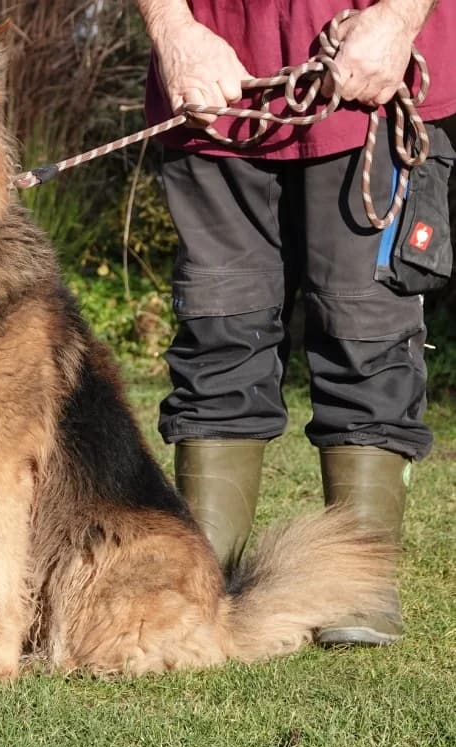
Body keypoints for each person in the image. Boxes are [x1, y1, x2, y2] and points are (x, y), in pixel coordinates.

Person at [134, 0, 456, 645]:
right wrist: (174, 30)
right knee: (218, 327)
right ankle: (202, 575)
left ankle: (359, 580)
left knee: (367, 332)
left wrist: (396, 19)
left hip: (372, 77)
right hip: (213, 84)